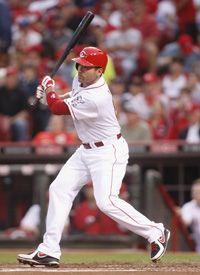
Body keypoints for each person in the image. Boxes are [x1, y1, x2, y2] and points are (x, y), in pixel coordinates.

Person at [17, 46, 170, 268]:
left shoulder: (97, 97)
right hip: (86, 150)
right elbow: (70, 97)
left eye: (87, 67)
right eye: (80, 65)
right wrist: (53, 93)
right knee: (59, 189)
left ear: (100, 71)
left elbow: (58, 108)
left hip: (108, 151)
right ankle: (49, 250)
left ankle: (156, 231)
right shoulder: (82, 81)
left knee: (106, 201)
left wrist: (49, 90)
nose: (80, 70)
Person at [178, 178, 200, 253]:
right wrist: (179, 214)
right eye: (194, 192)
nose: (195, 194)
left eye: (198, 192)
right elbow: (186, 221)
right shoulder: (188, 206)